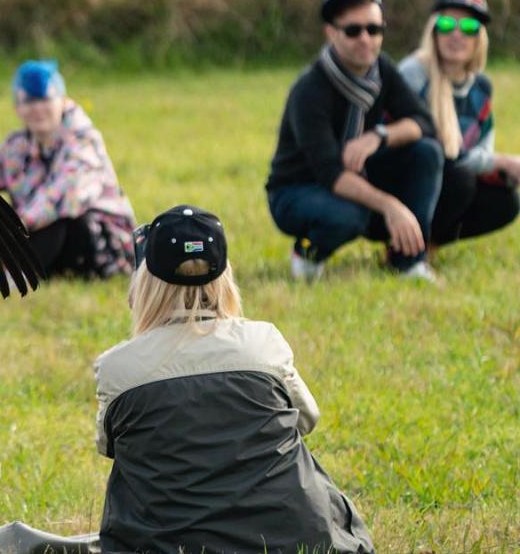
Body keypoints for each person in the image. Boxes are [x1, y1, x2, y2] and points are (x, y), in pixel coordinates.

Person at [94, 205, 374, 553]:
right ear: (224, 276)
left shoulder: (116, 368)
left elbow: (108, 446)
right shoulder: (265, 344)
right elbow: (306, 419)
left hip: (164, 543)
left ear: (144, 283)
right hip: (287, 540)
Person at [266, 0, 443, 282]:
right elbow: (330, 173)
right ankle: (307, 253)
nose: (365, 39)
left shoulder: (381, 71)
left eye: (374, 29)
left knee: (427, 152)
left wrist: (379, 136)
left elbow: (424, 122)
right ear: (331, 32)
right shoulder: (310, 90)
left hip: (354, 175)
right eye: (353, 30)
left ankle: (408, 262)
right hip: (296, 190)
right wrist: (391, 206)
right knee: (350, 214)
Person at [0, 60, 135, 279]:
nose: (37, 108)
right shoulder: (16, 146)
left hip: (101, 246)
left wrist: (6, 233)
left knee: (58, 221)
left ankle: (10, 274)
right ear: (17, 108)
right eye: (29, 101)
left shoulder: (83, 142)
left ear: (62, 100)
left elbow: (58, 199)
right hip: (35, 238)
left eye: (45, 99)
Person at [399, 0, 520, 248]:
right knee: (459, 177)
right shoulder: (413, 73)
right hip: (402, 180)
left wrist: (505, 171)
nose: (456, 34)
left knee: (506, 202)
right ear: (433, 31)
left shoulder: (481, 88)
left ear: (479, 38)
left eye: (468, 27)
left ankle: (426, 244)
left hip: (452, 181)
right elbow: (436, 154)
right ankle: (405, 243)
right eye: (446, 24)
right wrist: (502, 161)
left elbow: (481, 150)